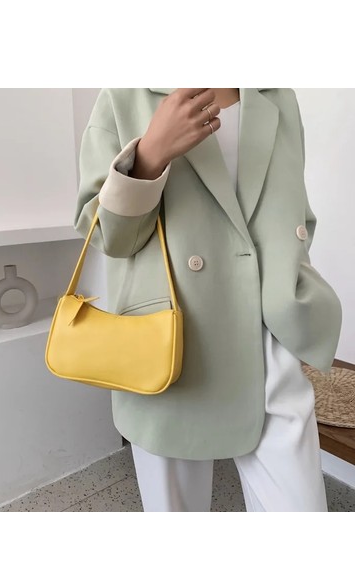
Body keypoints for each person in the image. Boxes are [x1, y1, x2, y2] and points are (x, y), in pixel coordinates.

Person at [74, 88, 342, 512]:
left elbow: (296, 212)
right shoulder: (126, 95)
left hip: (269, 347)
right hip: (172, 346)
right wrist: (149, 157)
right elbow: (108, 236)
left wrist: (291, 285)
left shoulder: (277, 96)